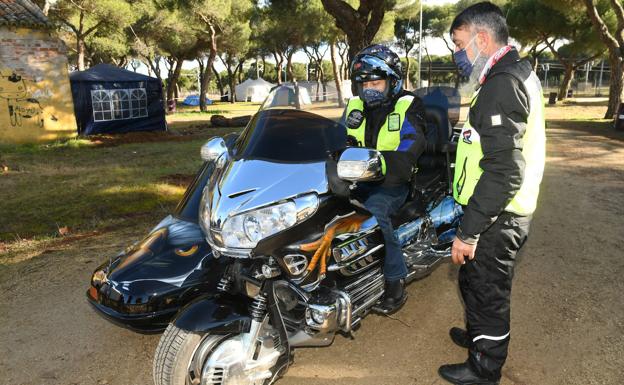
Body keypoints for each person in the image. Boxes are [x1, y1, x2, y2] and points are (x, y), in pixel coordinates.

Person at [439, 2, 546, 384]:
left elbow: (505, 169)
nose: (456, 53)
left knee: (487, 292)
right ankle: (478, 338)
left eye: (459, 43)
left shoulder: (503, 82)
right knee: (472, 282)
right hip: (492, 211)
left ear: (481, 39)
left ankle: (484, 366)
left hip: (498, 216)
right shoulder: (508, 72)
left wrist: (469, 232)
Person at [342, 44, 427, 314]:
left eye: (376, 82)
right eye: (364, 83)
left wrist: (377, 165)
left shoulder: (408, 105)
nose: (369, 89)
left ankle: (395, 279)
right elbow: (332, 138)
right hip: (352, 180)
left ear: (393, 81)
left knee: (374, 217)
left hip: (391, 184)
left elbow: (410, 149)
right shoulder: (355, 106)